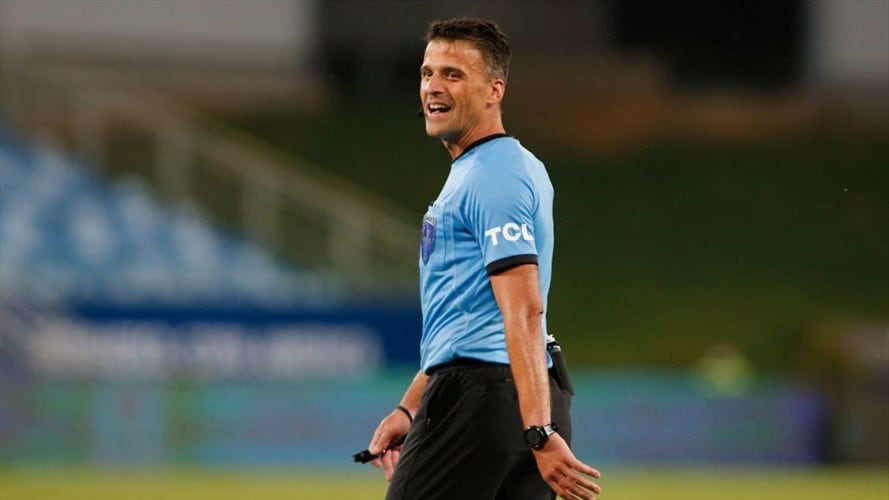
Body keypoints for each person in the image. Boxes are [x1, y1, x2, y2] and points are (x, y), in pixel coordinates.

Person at [365, 17, 602, 500]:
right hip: (518, 390)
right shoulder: (495, 169)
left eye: (453, 74)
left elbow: (523, 307)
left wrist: (537, 430)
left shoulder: (494, 176)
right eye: (427, 72)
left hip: (485, 399)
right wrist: (410, 409)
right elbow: (466, 318)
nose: (433, 85)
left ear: (495, 90)